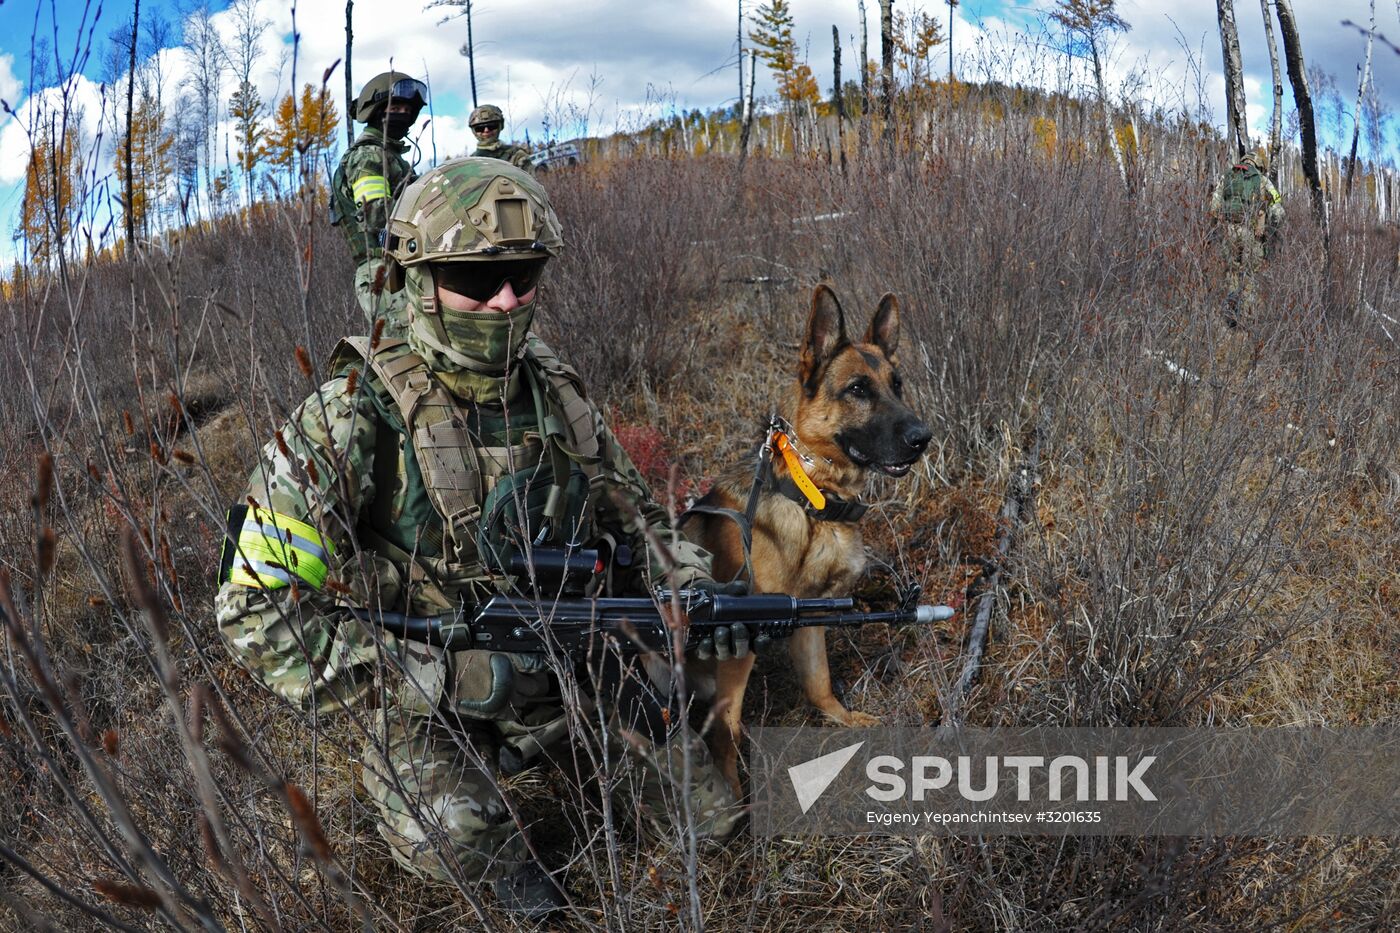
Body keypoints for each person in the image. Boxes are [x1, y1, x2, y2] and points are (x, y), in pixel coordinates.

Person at [215, 158, 745, 919]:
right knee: (458, 833)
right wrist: (433, 679)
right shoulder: (351, 413)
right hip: (426, 695)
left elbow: (645, 522)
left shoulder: (552, 389)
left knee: (712, 821)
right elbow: (254, 608)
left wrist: (685, 586)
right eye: (472, 277)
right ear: (415, 276)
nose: (504, 301)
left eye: (524, 275)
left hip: (572, 662)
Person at [332, 71, 427, 338]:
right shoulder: (368, 156)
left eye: (407, 109)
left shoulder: (388, 154)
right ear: (375, 111)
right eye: (394, 107)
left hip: (402, 264)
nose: (403, 114)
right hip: (383, 271)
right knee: (409, 350)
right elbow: (377, 215)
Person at [1209, 147, 1285, 322]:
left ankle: (1230, 317)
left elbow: (1213, 207)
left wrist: (1215, 230)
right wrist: (1273, 229)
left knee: (1231, 273)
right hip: (1252, 233)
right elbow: (1277, 207)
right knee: (1250, 275)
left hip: (1229, 231)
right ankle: (1247, 318)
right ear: (1258, 165)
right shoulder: (1262, 180)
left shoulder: (1227, 176)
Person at [468, 104, 535, 174]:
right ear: (473, 131)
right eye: (480, 128)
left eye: (492, 126)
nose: (486, 130)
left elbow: (530, 181)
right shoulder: (469, 163)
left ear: (501, 126)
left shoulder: (516, 156)